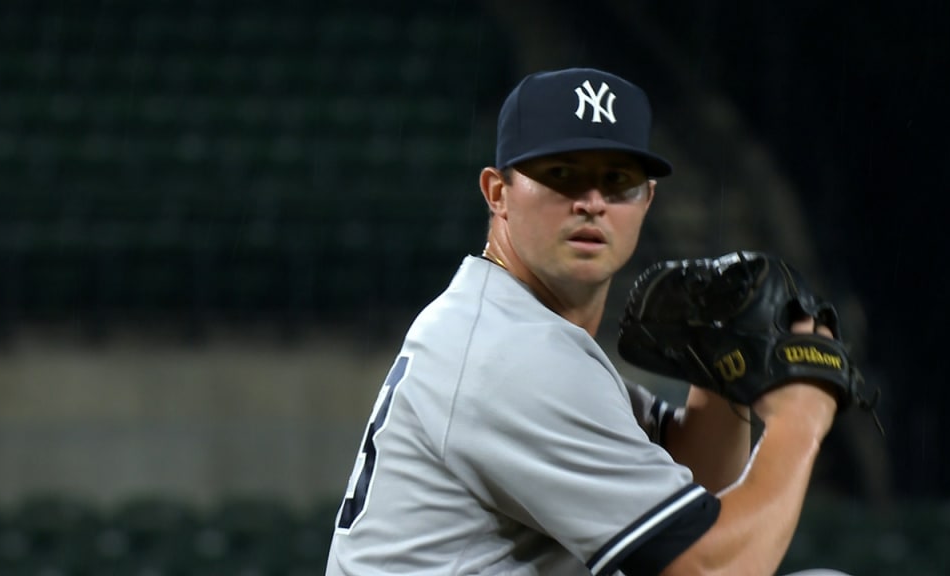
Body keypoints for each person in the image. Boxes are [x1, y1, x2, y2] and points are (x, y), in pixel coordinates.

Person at [326, 67, 847, 576]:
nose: (592, 202)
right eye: (562, 174)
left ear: (647, 200)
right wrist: (801, 419)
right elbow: (708, 567)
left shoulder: (508, 324)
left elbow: (695, 493)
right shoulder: (510, 356)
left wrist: (720, 376)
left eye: (617, 181)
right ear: (497, 193)